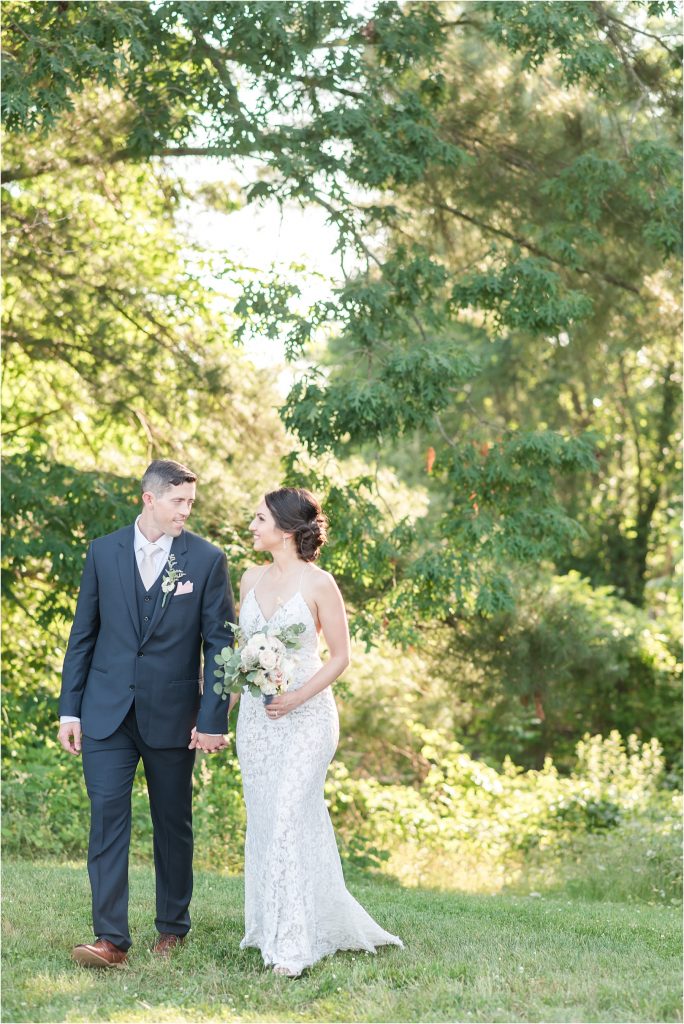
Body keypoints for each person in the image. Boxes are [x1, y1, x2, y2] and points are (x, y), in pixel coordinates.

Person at [57, 459, 235, 967]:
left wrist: (213, 717)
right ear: (149, 499)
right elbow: (83, 636)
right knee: (106, 820)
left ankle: (173, 927)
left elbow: (219, 644)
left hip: (175, 715)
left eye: (191, 503)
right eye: (179, 501)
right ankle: (110, 940)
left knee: (172, 823)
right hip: (106, 711)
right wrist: (70, 710)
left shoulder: (205, 560)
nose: (187, 510)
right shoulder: (103, 552)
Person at [232, 486, 403, 977]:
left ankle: (292, 945)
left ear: (286, 530)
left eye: (260, 519)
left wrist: (297, 698)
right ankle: (272, 924)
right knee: (268, 820)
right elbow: (243, 658)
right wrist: (215, 719)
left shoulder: (320, 583)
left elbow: (341, 657)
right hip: (258, 721)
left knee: (288, 811)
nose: (253, 526)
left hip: (306, 717)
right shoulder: (247, 579)